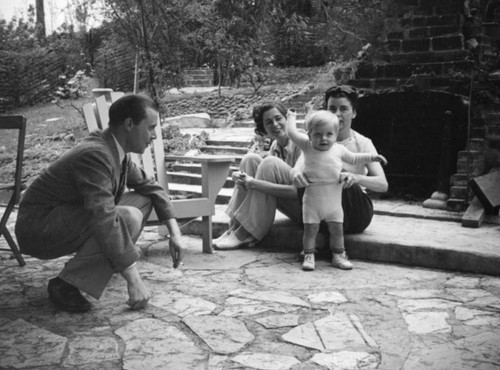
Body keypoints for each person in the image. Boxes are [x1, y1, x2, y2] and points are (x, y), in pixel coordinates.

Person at [15, 94, 185, 313]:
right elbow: (103, 217)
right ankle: (66, 284)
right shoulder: (95, 154)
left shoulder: (115, 150)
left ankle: (103, 264)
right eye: (151, 127)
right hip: (39, 227)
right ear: (129, 124)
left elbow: (151, 187)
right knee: (128, 217)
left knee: (142, 201)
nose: (153, 135)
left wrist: (175, 232)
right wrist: (134, 279)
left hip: (65, 217)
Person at [286, 109, 387, 271]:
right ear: (309, 135)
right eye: (317, 134)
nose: (323, 138)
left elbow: (354, 158)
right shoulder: (307, 146)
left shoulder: (339, 150)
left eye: (328, 134)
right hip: (312, 201)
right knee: (310, 231)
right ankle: (309, 255)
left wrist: (372, 157)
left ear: (336, 133)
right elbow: (291, 133)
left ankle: (338, 255)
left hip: (334, 202)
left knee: (337, 231)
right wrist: (291, 116)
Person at [293, 85, 389, 235]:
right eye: (332, 109)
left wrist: (356, 178)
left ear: (354, 113)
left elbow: (382, 185)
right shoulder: (314, 142)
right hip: (322, 206)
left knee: (338, 173)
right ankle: (316, 235)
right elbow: (299, 167)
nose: (337, 114)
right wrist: (296, 173)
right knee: (309, 174)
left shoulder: (363, 143)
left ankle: (330, 244)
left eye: (343, 109)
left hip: (355, 212)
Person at [212, 101, 302, 250]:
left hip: (307, 209)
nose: (275, 124)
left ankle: (246, 232)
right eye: (268, 122)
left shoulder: (302, 142)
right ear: (264, 129)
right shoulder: (275, 146)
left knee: (269, 163)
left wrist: (253, 183)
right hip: (289, 204)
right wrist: (242, 179)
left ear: (287, 119)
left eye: (278, 118)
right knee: (250, 160)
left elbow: (298, 192)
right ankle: (234, 227)